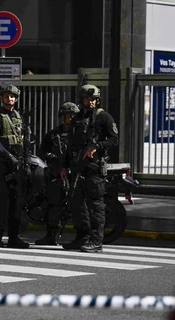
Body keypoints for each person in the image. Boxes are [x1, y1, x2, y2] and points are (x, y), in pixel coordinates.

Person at [61, 84, 119, 252]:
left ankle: (96, 241)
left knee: (96, 207)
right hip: (77, 169)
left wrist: (97, 146)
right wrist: (65, 166)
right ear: (82, 100)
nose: (91, 102)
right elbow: (70, 145)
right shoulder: (77, 118)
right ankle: (82, 238)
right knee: (77, 206)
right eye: (88, 99)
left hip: (93, 169)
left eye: (94, 99)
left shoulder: (104, 117)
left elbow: (114, 140)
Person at [0, 84, 30, 248]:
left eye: (12, 96)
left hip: (17, 165)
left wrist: (25, 160)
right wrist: (8, 156)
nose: (9, 99)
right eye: (6, 96)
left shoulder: (19, 116)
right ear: (2, 98)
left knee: (16, 202)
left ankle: (13, 237)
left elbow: (24, 140)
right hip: (1, 165)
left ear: (16, 98)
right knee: (1, 202)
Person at [35, 102, 79, 245]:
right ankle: (51, 236)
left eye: (73, 115)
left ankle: (81, 236)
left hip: (75, 175)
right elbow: (42, 151)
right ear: (63, 116)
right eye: (68, 115)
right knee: (54, 205)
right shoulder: (54, 134)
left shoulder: (80, 134)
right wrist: (51, 157)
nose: (71, 118)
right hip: (55, 175)